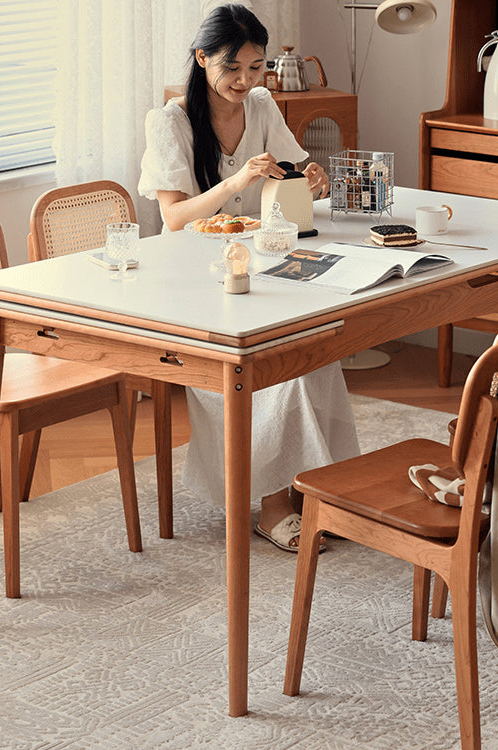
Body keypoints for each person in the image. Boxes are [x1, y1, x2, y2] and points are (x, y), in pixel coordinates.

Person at [138, 3, 359, 552]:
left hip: (254, 260)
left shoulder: (260, 104)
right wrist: (237, 179)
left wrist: (312, 178)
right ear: (201, 59)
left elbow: (291, 174)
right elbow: (174, 218)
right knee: (270, 368)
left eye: (256, 68)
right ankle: (271, 503)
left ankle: (319, 485)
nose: (245, 81)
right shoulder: (170, 120)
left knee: (315, 350)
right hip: (190, 278)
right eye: (232, 69)